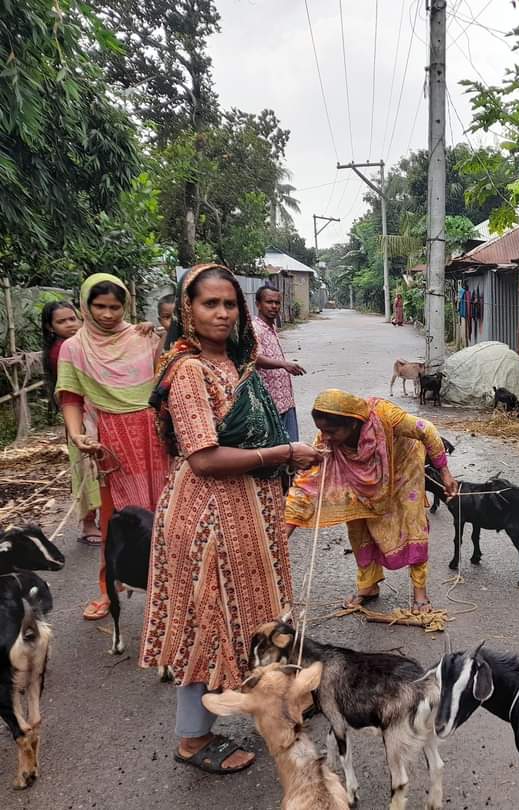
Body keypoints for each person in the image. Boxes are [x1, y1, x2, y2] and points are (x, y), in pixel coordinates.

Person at [139, 264, 322, 775]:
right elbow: (203, 458)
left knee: (251, 622)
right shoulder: (189, 371)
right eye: (208, 304)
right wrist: (285, 452)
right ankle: (193, 739)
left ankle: (268, 704)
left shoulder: (236, 364)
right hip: (208, 524)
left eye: (229, 304)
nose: (221, 314)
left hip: (250, 519)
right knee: (209, 625)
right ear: (187, 311)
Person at [56, 274, 170, 620]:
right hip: (112, 442)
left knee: (166, 515)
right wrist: (77, 435)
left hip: (155, 434)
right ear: (86, 306)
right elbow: (71, 397)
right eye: (100, 306)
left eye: (115, 307)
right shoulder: (74, 348)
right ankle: (109, 590)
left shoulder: (142, 337)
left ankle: (171, 588)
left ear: (126, 306)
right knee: (115, 521)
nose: (107, 314)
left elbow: (163, 380)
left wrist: (160, 340)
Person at [284, 389, 458, 614]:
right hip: (360, 478)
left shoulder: (387, 417)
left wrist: (445, 473)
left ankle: (419, 591)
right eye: (321, 430)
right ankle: (368, 586)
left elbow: (427, 430)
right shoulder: (327, 442)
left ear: (354, 424)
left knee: (411, 522)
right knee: (357, 524)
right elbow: (305, 486)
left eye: (331, 431)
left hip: (401, 466)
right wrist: (282, 535)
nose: (324, 437)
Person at [42, 301, 102, 545]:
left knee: (97, 467)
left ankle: (101, 518)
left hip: (95, 411)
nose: (69, 324)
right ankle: (88, 523)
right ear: (50, 327)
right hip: (81, 415)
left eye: (72, 318)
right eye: (61, 321)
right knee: (85, 468)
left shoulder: (82, 342)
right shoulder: (63, 349)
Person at [252, 285, 305, 442]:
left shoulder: (271, 327)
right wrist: (284, 364)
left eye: (277, 302)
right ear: (258, 304)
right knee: (278, 450)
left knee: (291, 447)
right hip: (270, 403)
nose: (274, 306)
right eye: (269, 302)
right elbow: (254, 357)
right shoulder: (255, 328)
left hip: (285, 401)